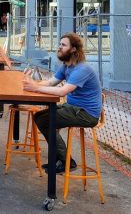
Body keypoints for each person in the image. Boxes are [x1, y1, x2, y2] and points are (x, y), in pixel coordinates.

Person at [23, 32, 102, 174]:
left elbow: (62, 92)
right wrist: (32, 82)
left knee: (46, 120)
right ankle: (60, 160)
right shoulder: (66, 66)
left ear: (73, 49)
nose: (59, 47)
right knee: (40, 117)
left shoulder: (82, 69)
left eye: (63, 45)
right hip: (73, 108)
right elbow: (51, 82)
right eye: (60, 44)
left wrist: (36, 88)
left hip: (86, 114)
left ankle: (66, 162)